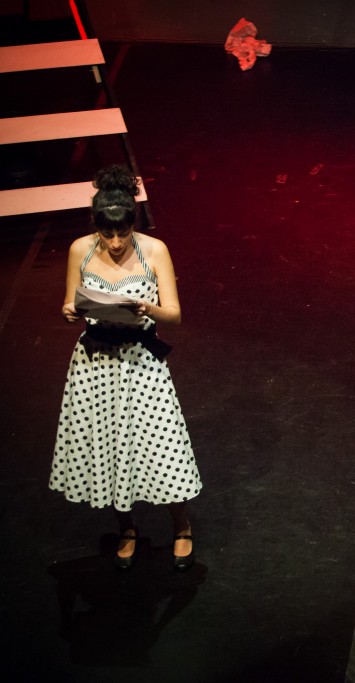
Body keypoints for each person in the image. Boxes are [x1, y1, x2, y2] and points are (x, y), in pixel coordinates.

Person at [50, 165, 201, 572]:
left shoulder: (154, 250)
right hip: (95, 365)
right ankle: (127, 529)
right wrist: (69, 312)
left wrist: (145, 308)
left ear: (133, 224)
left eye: (122, 233)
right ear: (96, 227)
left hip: (140, 365)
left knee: (159, 446)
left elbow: (174, 314)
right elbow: (70, 304)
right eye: (107, 234)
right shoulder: (79, 249)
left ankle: (182, 526)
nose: (115, 242)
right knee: (108, 448)